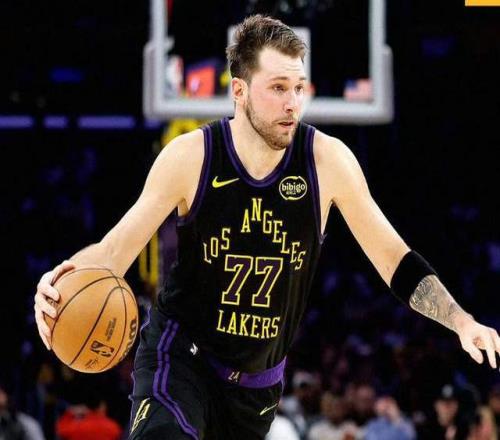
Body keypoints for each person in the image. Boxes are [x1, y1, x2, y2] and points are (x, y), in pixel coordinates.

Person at [34, 14, 500, 440]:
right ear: (238, 91)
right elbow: (113, 251)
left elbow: (395, 259)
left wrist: (460, 320)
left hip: (257, 386)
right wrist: (59, 281)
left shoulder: (327, 162)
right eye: (278, 88)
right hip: (180, 357)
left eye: (299, 88)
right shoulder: (192, 157)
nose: (292, 103)